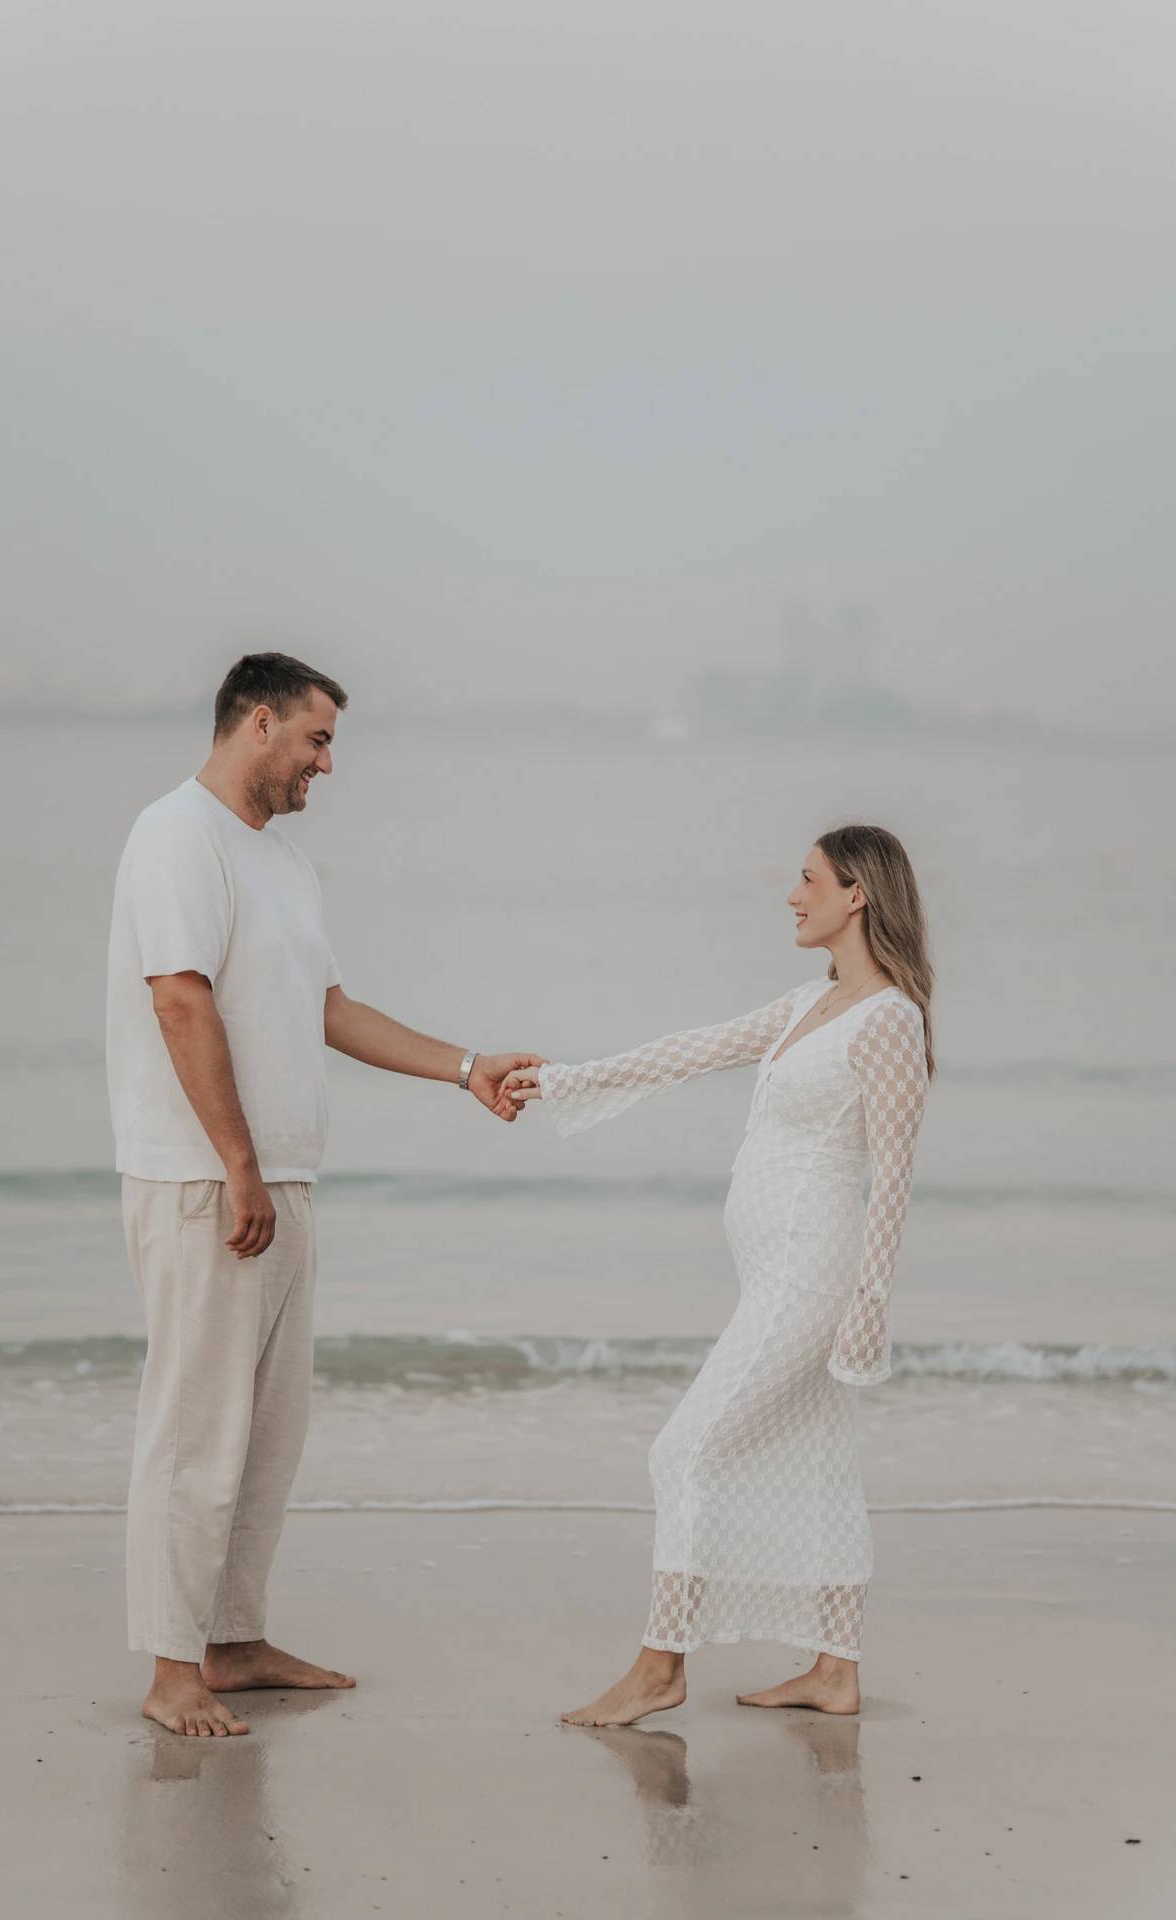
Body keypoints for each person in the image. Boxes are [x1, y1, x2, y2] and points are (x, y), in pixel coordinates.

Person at [107, 652, 545, 1738]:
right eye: (316, 739)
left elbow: (329, 1008)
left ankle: (235, 1639)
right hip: (206, 1181)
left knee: (267, 1435)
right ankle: (170, 1670)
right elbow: (177, 1003)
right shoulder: (175, 834)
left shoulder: (283, 862)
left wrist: (465, 1067)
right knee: (195, 1431)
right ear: (258, 724)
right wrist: (238, 1166)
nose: (327, 763)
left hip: (281, 1182)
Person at [504, 824, 932, 1726]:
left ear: (856, 894)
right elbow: (689, 1049)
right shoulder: (804, 1005)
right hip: (773, 1272)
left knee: (683, 1450)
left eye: (807, 879)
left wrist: (869, 1304)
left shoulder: (889, 1019)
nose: (790, 894)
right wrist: (565, 1081)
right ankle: (834, 1668)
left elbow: (892, 1174)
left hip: (809, 1280)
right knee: (819, 1466)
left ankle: (660, 1668)